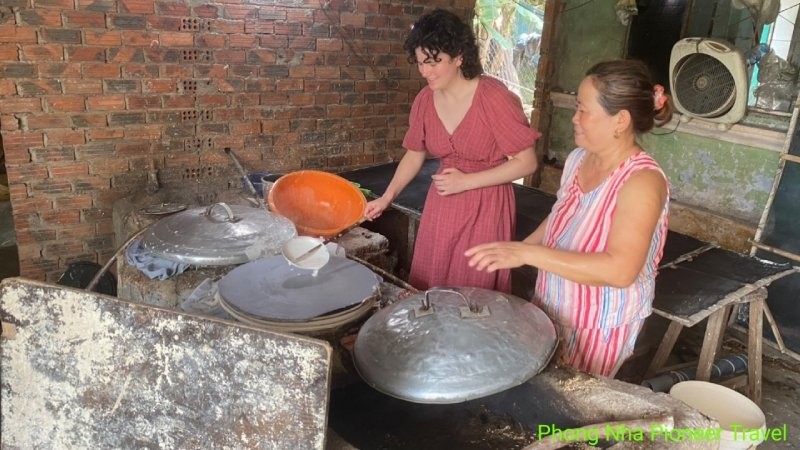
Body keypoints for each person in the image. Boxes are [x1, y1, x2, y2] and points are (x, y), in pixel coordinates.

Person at [466, 59, 673, 377]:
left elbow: (620, 271)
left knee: (573, 407)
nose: (574, 118)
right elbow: (561, 217)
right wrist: (515, 250)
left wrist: (527, 253)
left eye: (583, 109)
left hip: (598, 324)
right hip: (552, 305)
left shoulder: (641, 181)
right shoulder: (579, 159)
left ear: (619, 121)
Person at [364, 9, 540, 293]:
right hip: (443, 202)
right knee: (435, 279)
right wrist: (387, 197)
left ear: (459, 57)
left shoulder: (493, 97)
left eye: (434, 62)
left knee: (472, 287)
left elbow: (526, 162)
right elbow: (414, 153)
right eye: (421, 63)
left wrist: (466, 182)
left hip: (486, 203)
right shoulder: (424, 100)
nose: (425, 71)